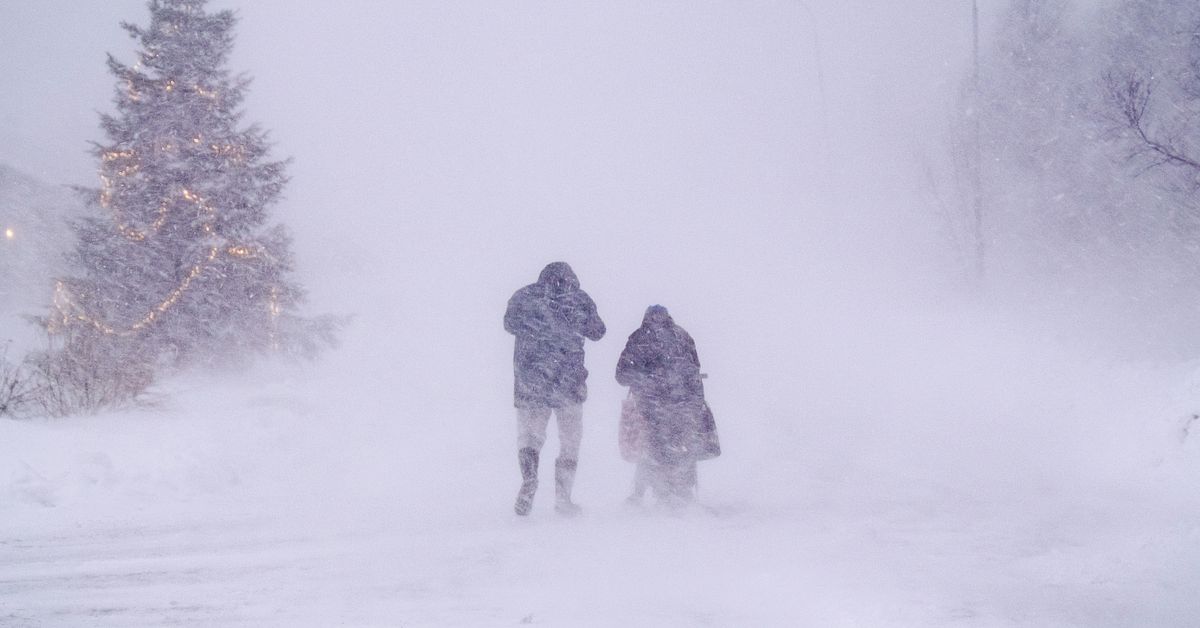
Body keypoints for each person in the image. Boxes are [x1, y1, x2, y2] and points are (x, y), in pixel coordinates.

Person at [504, 262, 606, 516]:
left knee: (530, 437)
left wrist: (539, 326)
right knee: (570, 441)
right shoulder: (578, 299)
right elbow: (598, 331)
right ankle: (563, 498)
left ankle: (529, 479)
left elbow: (509, 324)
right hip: (567, 382)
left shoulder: (525, 296)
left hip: (531, 380)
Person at [616, 305, 719, 508]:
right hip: (683, 403)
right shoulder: (683, 336)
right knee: (682, 445)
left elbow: (621, 375)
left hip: (651, 405)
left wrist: (644, 379)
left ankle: (647, 492)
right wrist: (697, 402)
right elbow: (694, 371)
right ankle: (683, 491)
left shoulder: (639, 338)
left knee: (651, 446)